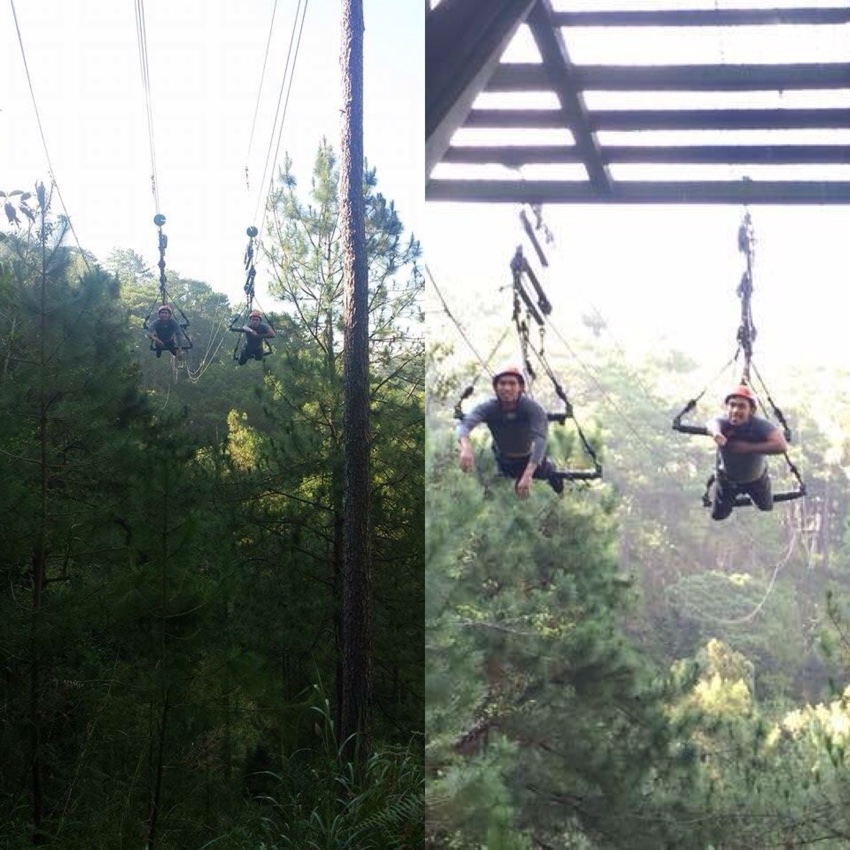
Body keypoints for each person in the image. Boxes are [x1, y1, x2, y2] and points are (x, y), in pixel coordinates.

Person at [457, 365, 563, 498]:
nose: (507, 388)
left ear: (520, 388)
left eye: (512, 384)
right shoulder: (489, 407)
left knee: (547, 474)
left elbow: (540, 440)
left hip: (529, 458)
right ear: (496, 387)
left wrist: (528, 474)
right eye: (502, 383)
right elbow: (464, 425)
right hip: (505, 460)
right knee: (507, 480)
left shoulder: (532, 409)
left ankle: (550, 474)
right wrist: (466, 448)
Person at [705, 384, 788, 521]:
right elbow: (712, 424)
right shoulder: (723, 422)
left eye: (741, 406)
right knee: (718, 515)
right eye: (732, 405)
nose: (735, 410)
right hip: (727, 481)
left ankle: (752, 498)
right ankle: (729, 502)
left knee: (766, 506)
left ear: (751, 410)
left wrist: (747, 448)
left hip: (756, 480)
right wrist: (716, 433)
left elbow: (781, 445)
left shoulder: (760, 425)